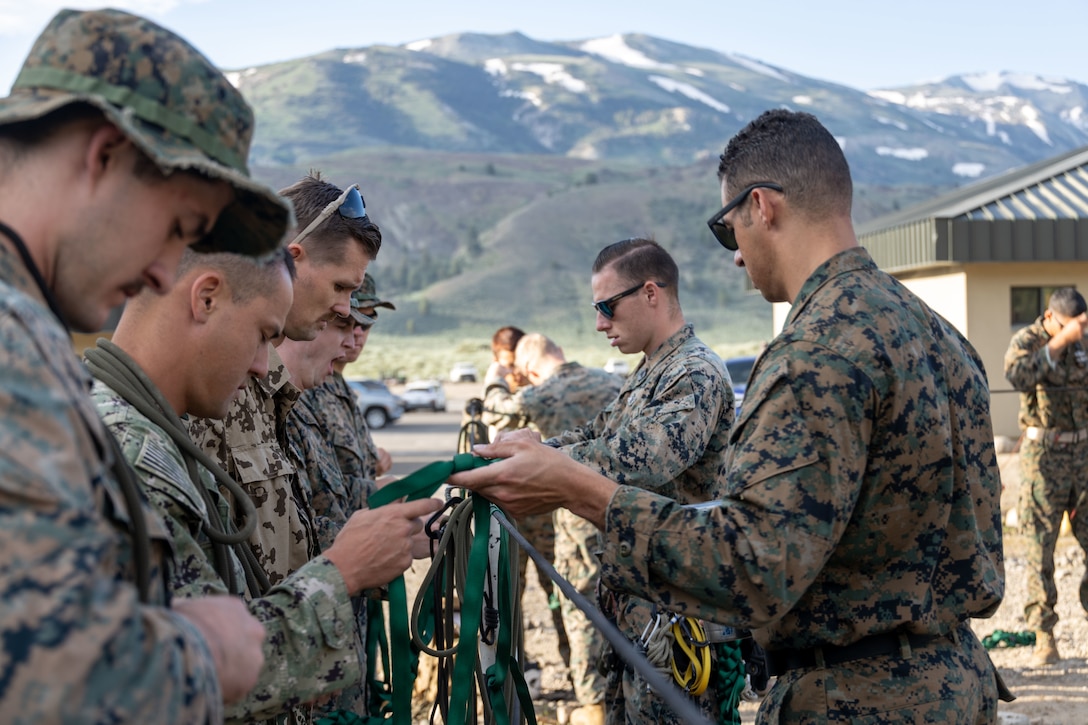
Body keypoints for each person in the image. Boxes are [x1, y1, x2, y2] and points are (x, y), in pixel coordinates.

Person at [451, 109, 1007, 724]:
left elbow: (750, 567)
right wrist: (550, 454)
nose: (736, 256)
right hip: (954, 683)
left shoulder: (815, 354)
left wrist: (577, 488)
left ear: (763, 207)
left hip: (855, 699)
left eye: (727, 229)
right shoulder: (942, 338)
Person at [0, 8, 287, 720]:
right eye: (178, 228)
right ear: (103, 156)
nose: (165, 274)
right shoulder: (14, 343)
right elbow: (49, 686)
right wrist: (202, 649)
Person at [86, 248, 437, 722]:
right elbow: (192, 681)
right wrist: (343, 572)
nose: (260, 366)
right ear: (206, 299)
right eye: (262, 336)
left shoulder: (153, 438)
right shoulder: (126, 456)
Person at [539, 238, 734, 725]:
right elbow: (596, 434)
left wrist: (538, 467)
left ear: (651, 293)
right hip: (640, 611)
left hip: (680, 622)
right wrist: (532, 451)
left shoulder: (694, 373)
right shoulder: (650, 370)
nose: (600, 323)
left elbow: (636, 459)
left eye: (607, 307)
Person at [188, 172, 381, 584]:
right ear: (293, 259)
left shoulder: (267, 389)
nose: (346, 311)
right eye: (340, 286)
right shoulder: (210, 386)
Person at [483, 332, 623, 725]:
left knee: (579, 606)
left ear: (528, 370)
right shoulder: (612, 381)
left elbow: (496, 409)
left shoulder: (543, 393)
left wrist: (496, 374)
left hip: (573, 518)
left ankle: (593, 704)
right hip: (620, 510)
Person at [1004, 286, 1088, 666]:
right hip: (1044, 456)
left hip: (1084, 452)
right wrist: (1058, 346)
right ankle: (1044, 636)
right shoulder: (1029, 340)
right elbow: (1017, 376)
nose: (1078, 334)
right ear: (1051, 317)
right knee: (1040, 548)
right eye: (1071, 327)